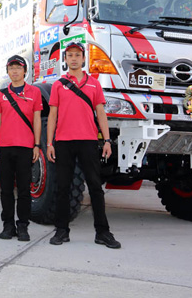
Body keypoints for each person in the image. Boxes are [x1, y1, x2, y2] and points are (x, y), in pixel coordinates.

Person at [46, 42, 121, 248]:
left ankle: (103, 232)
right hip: (63, 142)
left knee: (96, 187)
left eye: (77, 55)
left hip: (88, 141)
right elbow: (53, 115)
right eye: (70, 55)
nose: (73, 58)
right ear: (66, 59)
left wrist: (106, 140)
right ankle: (62, 231)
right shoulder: (58, 84)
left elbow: (101, 114)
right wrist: (49, 143)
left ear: (83, 58)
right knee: (63, 187)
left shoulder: (94, 84)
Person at [0, 55, 42, 241]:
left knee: (23, 190)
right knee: (5, 189)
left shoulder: (34, 92)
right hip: (4, 147)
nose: (14, 71)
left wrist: (37, 145)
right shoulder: (1, 94)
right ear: (8, 71)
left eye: (18, 68)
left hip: (25, 147)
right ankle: (8, 225)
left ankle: (22, 226)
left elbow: (37, 119)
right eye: (11, 68)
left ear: (25, 71)